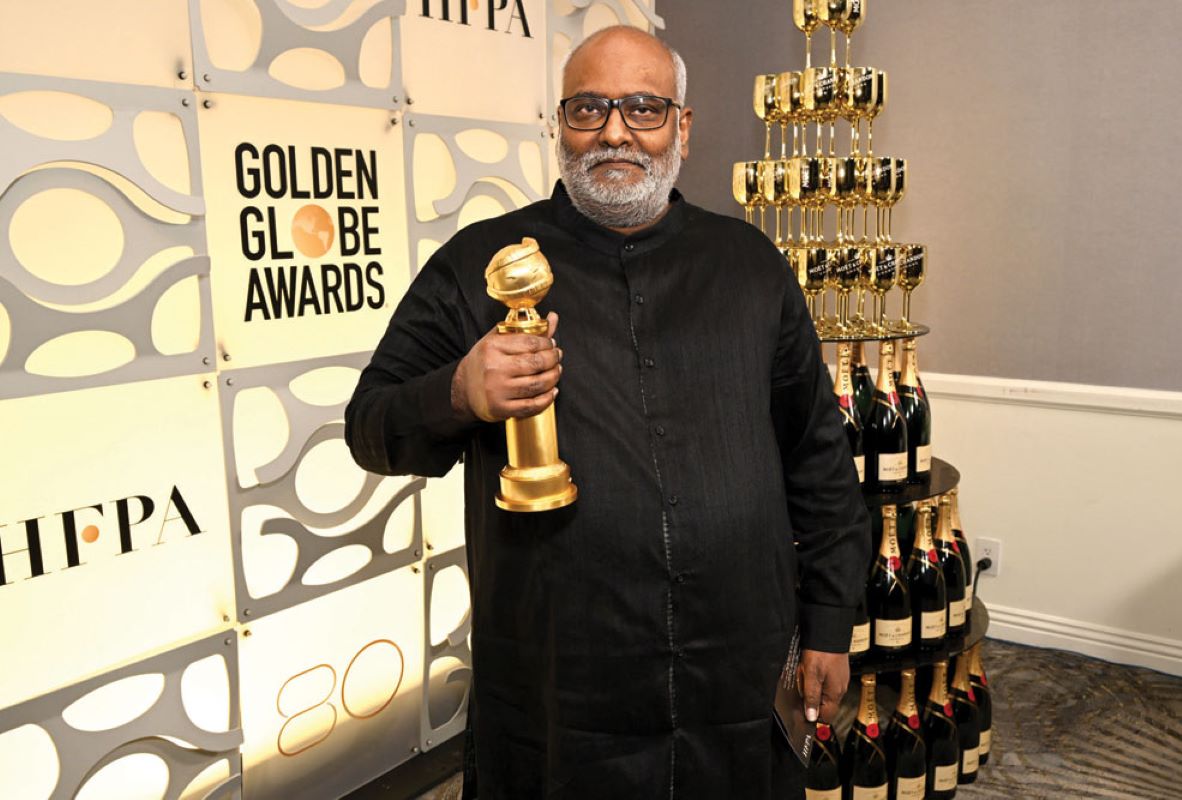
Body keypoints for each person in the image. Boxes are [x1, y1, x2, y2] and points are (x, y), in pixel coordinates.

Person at [345, 25, 870, 799]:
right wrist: (459, 391)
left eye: (644, 108)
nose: (615, 130)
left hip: (737, 676)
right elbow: (371, 429)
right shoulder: (478, 266)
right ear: (561, 125)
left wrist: (828, 620)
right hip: (563, 693)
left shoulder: (751, 265)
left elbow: (817, 457)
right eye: (589, 108)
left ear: (682, 129)